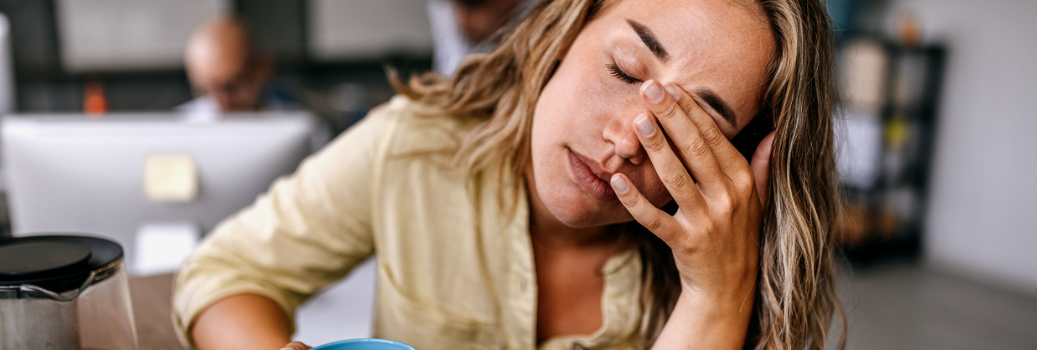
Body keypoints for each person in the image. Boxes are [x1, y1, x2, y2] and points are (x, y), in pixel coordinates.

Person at [174, 0, 843, 349]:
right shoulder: (414, 147)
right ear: (565, 30)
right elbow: (225, 273)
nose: (624, 141)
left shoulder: (737, 275)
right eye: (624, 70)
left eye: (693, 127)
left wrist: (714, 302)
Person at [178, 16, 289, 114]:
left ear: (262, 69)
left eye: (231, 88)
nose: (221, 104)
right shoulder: (179, 128)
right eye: (205, 91)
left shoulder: (292, 117)